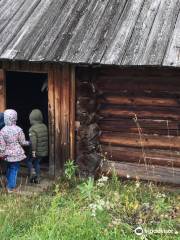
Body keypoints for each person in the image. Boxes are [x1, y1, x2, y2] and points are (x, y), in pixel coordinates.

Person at [0, 109, 29, 193]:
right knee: (14, 168)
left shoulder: (2, 131)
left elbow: (2, 146)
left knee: (9, 167)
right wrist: (29, 143)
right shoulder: (19, 129)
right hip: (16, 154)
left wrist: (1, 153)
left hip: (7, 154)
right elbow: (22, 142)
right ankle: (10, 187)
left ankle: (7, 183)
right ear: (15, 117)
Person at [27, 109, 48, 183]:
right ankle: (38, 177)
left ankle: (32, 173)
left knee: (29, 161)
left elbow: (33, 142)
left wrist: (33, 152)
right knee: (37, 163)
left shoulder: (32, 129)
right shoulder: (44, 126)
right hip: (43, 150)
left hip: (36, 151)